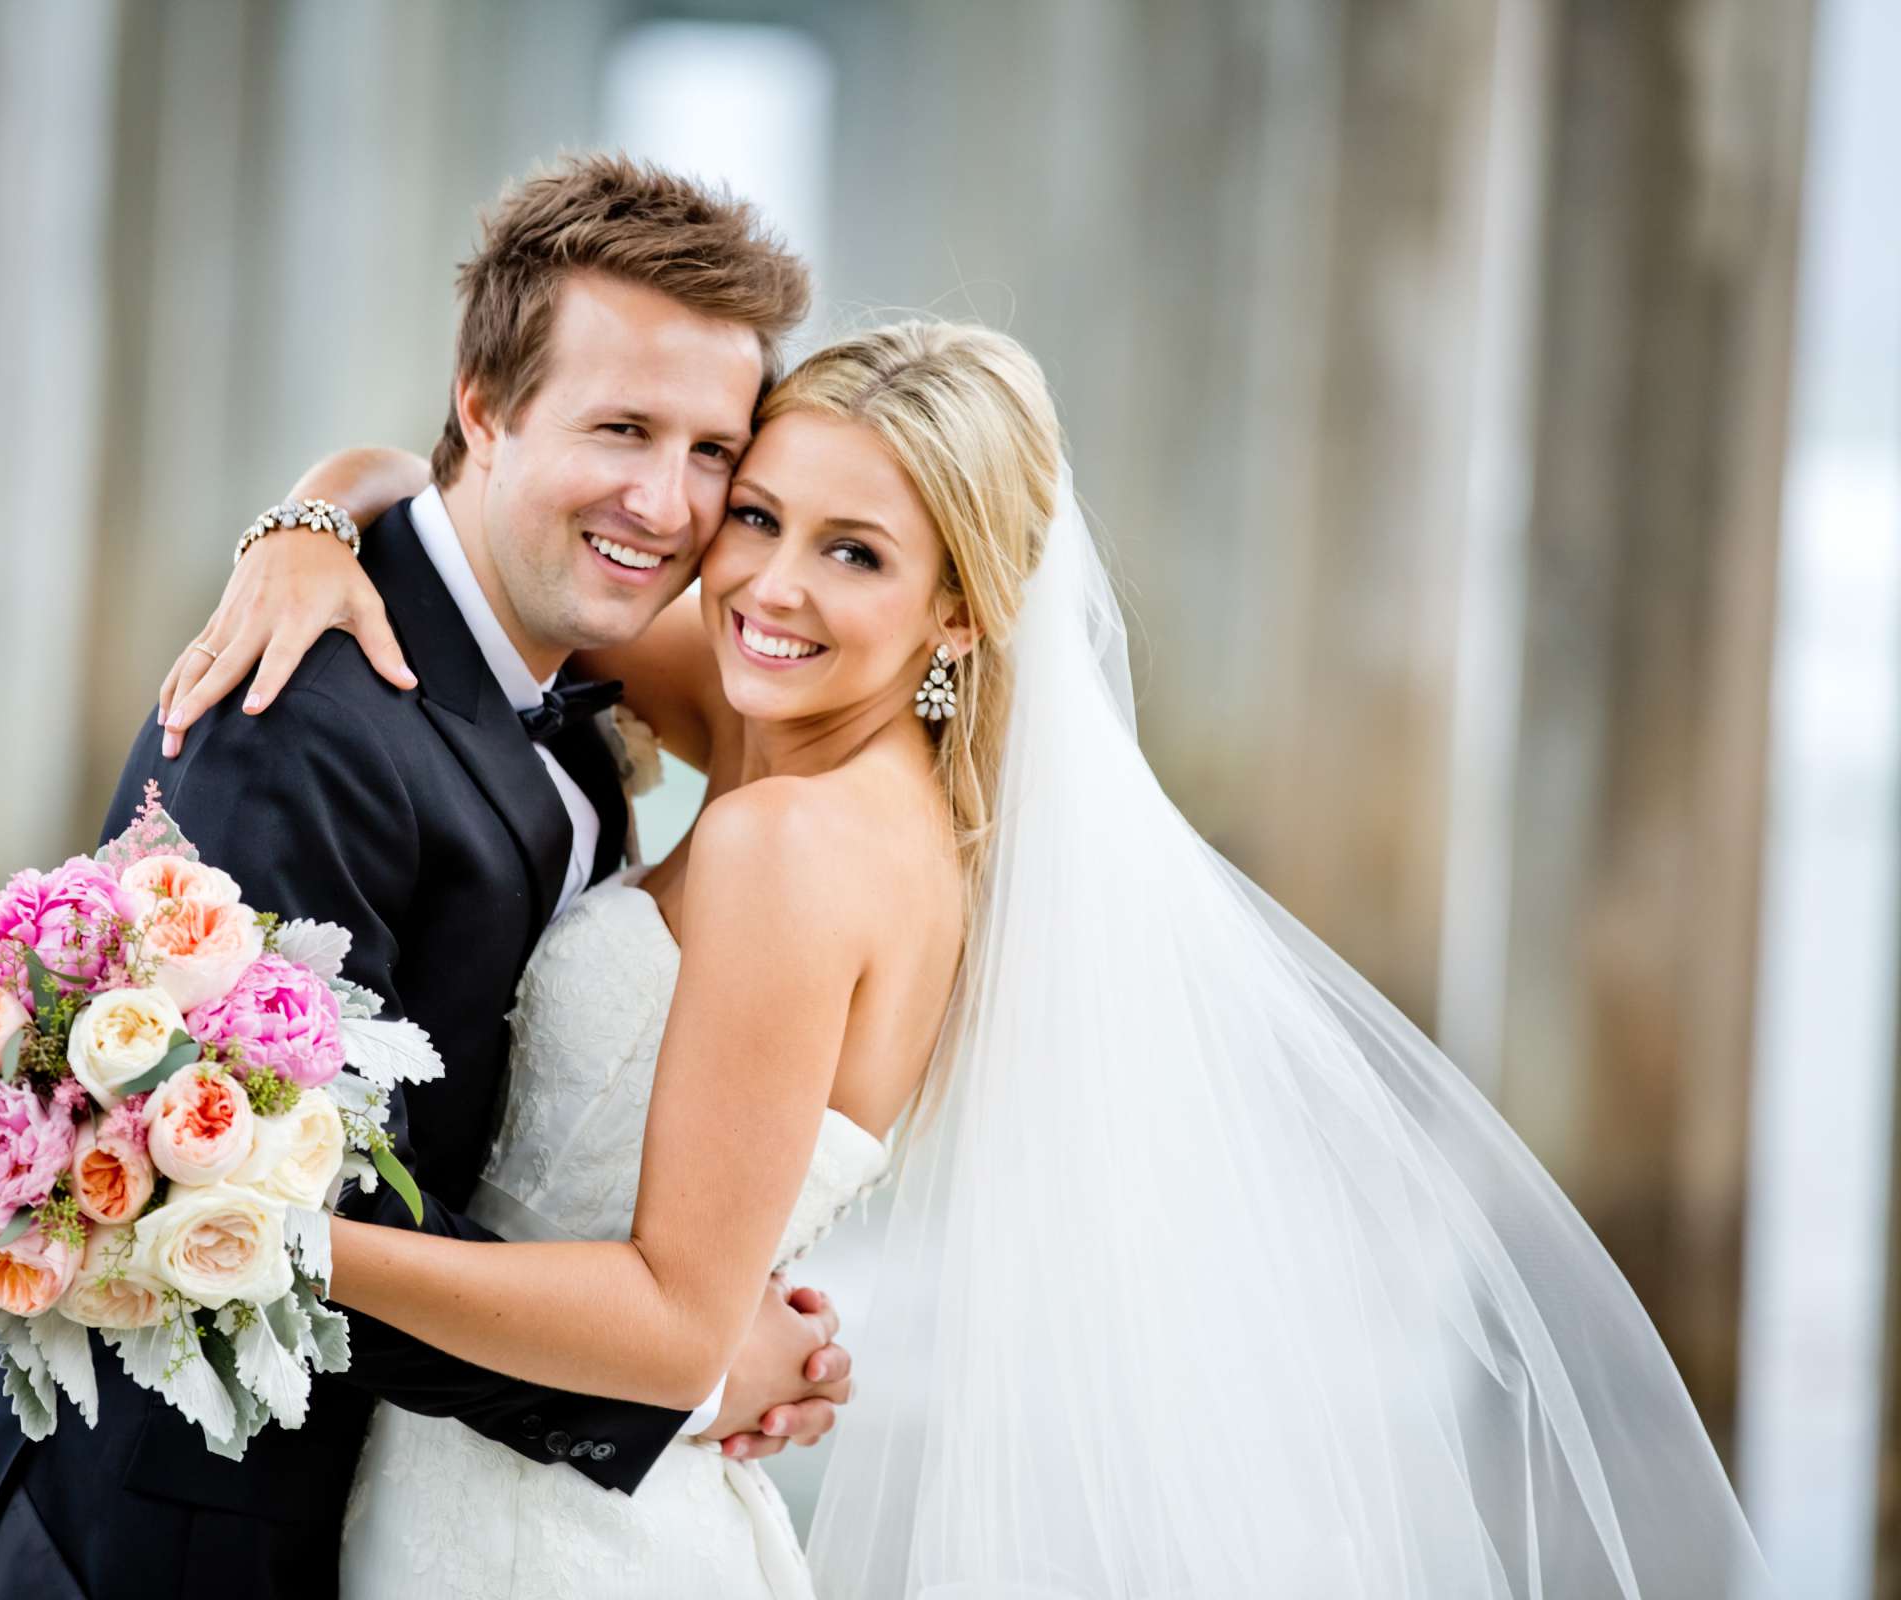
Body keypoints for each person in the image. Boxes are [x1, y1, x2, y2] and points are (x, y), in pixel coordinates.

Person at [168, 318, 1779, 1596]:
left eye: (855, 553)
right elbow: (478, 526)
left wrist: (266, 1225)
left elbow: (670, 1327)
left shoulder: (796, 846)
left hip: (537, 1540)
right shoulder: (809, 747)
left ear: (959, 614)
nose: (767, 585)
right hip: (542, 1481)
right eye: (759, 517)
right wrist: (312, 519)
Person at [0, 154, 855, 1600]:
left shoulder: (572, 665)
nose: (668, 504)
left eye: (712, 451)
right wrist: (676, 1377)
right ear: (485, 407)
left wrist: (699, 1295)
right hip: (157, 1553)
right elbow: (234, 1212)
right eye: (621, 428)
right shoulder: (302, 720)